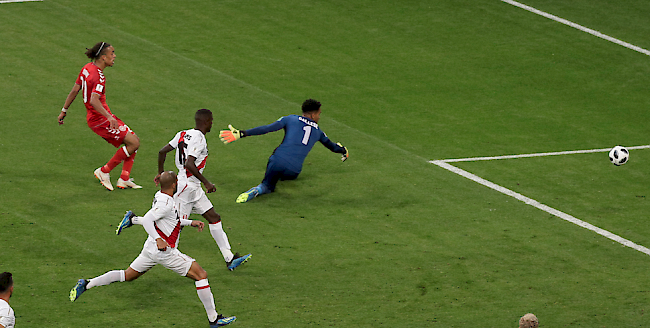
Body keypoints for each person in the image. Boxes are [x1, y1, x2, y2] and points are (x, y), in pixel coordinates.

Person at [69, 171, 236, 327]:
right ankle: (214, 319)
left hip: (150, 249)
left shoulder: (161, 196)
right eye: (176, 181)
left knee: (127, 275)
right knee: (201, 275)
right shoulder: (165, 203)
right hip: (165, 252)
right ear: (173, 185)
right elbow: (149, 219)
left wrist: (190, 222)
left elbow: (169, 220)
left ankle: (87, 283)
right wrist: (158, 239)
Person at [116, 109, 251, 271]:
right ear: (206, 121)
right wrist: (207, 182)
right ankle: (134, 220)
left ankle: (229, 258)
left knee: (214, 217)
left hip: (192, 187)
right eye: (211, 121)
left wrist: (160, 172)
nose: (212, 124)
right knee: (174, 224)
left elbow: (162, 151)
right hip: (186, 188)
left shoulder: (183, 133)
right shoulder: (199, 139)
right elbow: (189, 164)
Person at [219, 99, 349, 203]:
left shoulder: (290, 119)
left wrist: (242, 133)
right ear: (313, 114)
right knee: (291, 175)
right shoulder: (319, 132)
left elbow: (267, 128)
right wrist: (343, 150)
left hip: (276, 161)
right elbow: (332, 147)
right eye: (319, 114)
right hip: (294, 169)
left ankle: (257, 189)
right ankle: (277, 178)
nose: (319, 117)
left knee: (267, 186)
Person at [58, 42, 142, 191]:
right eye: (112, 53)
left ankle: (124, 178)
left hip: (99, 118)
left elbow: (75, 89)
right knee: (133, 143)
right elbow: (93, 100)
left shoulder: (87, 68)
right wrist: (109, 118)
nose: (114, 56)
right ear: (103, 57)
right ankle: (104, 171)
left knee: (134, 139)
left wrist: (64, 110)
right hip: (100, 120)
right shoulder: (99, 77)